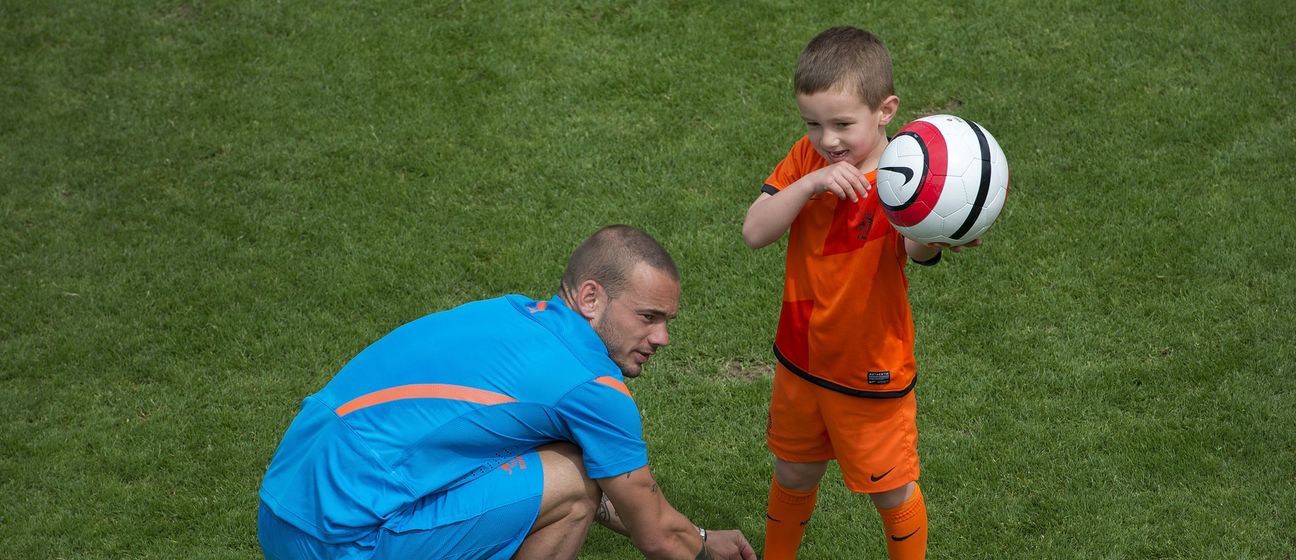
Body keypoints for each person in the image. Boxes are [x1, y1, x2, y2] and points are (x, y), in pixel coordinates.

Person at [257, 225, 756, 560]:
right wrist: (704, 545)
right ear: (590, 297)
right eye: (648, 317)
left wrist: (699, 535)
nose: (662, 337)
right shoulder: (593, 387)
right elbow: (657, 535)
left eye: (668, 321)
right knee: (578, 478)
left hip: (280, 513)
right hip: (342, 541)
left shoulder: (512, 313)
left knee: (562, 465)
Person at [741, 27, 981, 560]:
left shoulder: (910, 178)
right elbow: (755, 232)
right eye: (812, 123)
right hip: (801, 357)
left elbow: (918, 254)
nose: (827, 139)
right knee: (794, 470)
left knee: (890, 487)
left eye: (842, 124)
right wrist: (808, 186)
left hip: (869, 370)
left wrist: (936, 229)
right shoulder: (808, 160)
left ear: (885, 109)